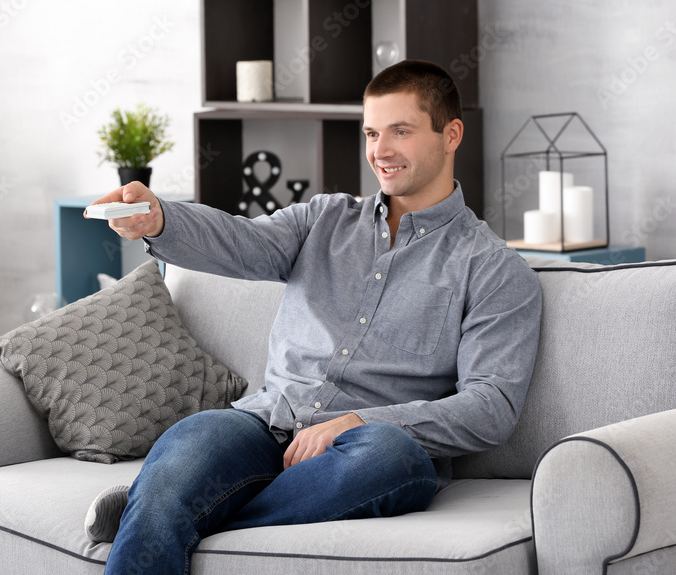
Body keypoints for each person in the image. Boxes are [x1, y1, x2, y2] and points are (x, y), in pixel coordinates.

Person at [86, 59, 542, 575]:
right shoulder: (323, 218)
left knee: (395, 459)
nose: (381, 151)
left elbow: (490, 407)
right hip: (263, 426)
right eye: (372, 132)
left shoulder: (493, 269)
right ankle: (163, 506)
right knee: (197, 435)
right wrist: (160, 217)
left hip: (363, 449)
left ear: (451, 134)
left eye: (401, 131)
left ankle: (161, 513)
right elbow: (241, 242)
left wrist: (358, 421)